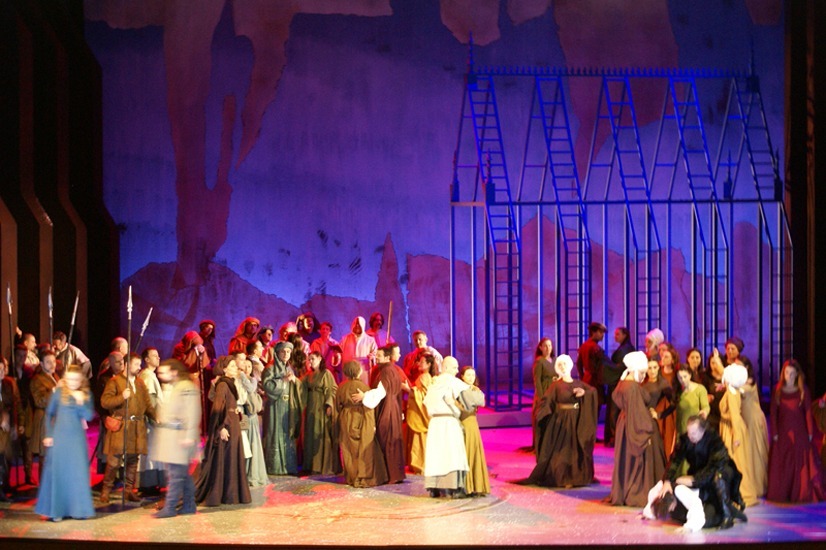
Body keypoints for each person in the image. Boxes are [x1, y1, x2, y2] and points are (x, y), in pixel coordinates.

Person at [644, 415, 748, 531]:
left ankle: (727, 514)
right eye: (688, 433)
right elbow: (675, 460)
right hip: (699, 473)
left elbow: (714, 467)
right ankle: (718, 510)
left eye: (693, 433)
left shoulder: (714, 440)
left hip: (720, 471)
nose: (690, 436)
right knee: (691, 513)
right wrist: (667, 480)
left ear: (702, 431)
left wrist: (695, 480)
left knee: (717, 478)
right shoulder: (686, 440)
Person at [34, 365, 95, 522]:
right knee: (59, 473)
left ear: (81, 380)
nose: (72, 382)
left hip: (77, 440)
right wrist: (48, 434)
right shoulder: (59, 393)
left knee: (77, 474)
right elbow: (49, 414)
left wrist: (81, 402)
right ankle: (57, 510)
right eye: (69, 379)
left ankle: (77, 510)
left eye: (75, 379)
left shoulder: (85, 394)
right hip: (60, 438)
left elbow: (89, 416)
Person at [528, 355, 597, 488]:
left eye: (565, 364)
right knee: (562, 451)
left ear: (570, 365)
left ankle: (576, 477)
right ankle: (563, 478)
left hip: (576, 421)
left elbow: (593, 392)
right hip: (562, 422)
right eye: (560, 365)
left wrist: (584, 393)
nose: (563, 367)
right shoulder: (556, 385)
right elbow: (546, 401)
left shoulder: (578, 383)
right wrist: (542, 414)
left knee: (575, 450)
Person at [609, 351, 665, 507]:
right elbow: (637, 412)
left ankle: (625, 489)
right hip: (634, 425)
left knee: (626, 459)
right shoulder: (632, 387)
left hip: (625, 424)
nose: (644, 375)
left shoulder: (622, 383)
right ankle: (636, 492)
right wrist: (646, 433)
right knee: (637, 460)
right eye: (642, 372)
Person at [99, 353, 156, 503]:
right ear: (127, 365)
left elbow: (147, 404)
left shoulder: (139, 383)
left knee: (132, 460)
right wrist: (121, 397)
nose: (139, 367)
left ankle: (128, 490)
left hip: (136, 426)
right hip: (121, 426)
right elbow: (105, 402)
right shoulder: (115, 382)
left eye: (139, 364)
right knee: (114, 461)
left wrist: (156, 417)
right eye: (136, 364)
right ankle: (106, 490)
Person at [195, 358, 251, 506]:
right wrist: (221, 427)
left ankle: (232, 494)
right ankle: (227, 494)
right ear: (224, 369)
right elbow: (217, 408)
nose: (235, 368)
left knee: (233, 458)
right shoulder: (222, 385)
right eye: (232, 366)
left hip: (233, 423)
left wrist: (236, 411)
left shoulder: (229, 383)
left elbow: (228, 405)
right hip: (228, 425)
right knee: (227, 458)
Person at [767, 359, 824, 502]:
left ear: (797, 374)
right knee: (784, 462)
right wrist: (774, 432)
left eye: (792, 373)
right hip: (783, 431)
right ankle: (784, 492)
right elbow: (773, 413)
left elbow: (808, 412)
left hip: (799, 430)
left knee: (800, 462)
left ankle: (799, 492)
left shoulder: (803, 390)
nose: (789, 376)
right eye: (787, 373)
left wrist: (810, 432)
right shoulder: (777, 390)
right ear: (783, 374)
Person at [152, 359, 201, 518]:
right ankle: (188, 505)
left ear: (174, 372)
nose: (160, 375)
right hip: (173, 437)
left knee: (175, 475)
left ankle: (170, 507)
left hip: (179, 437)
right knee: (181, 474)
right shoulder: (175, 387)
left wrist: (189, 435)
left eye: (164, 372)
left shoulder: (186, 387)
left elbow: (192, 412)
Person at [422, 356, 470, 498]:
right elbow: (472, 395)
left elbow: (426, 403)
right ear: (446, 367)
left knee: (436, 455)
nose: (457, 371)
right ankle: (453, 488)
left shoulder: (433, 384)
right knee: (452, 455)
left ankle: (434, 488)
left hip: (434, 423)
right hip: (449, 422)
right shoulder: (452, 381)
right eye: (455, 367)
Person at [335, 361, 388, 488]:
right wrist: (372, 425)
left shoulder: (341, 387)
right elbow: (369, 406)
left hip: (345, 419)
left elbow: (337, 406)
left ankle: (351, 477)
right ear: (358, 371)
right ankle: (363, 477)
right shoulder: (363, 387)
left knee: (349, 450)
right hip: (361, 419)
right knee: (363, 449)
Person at [364, 345, 406, 484]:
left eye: (379, 356)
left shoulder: (387, 371)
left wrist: (364, 397)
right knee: (390, 438)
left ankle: (390, 474)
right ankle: (394, 474)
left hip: (387, 408)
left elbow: (380, 392)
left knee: (387, 438)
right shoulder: (389, 370)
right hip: (392, 407)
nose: (376, 358)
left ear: (387, 357)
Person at [262, 341, 304, 475]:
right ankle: (275, 467)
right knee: (275, 432)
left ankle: (288, 466)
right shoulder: (270, 368)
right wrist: (283, 381)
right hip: (275, 406)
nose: (286, 354)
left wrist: (295, 381)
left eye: (288, 352)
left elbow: (297, 384)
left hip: (287, 407)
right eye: (283, 352)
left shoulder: (289, 368)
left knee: (287, 433)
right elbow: (267, 385)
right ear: (277, 353)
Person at [301, 351, 340, 475]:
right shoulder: (309, 375)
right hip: (311, 406)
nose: (310, 361)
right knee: (311, 433)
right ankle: (311, 464)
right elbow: (300, 385)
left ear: (319, 358)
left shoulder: (326, 373)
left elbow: (332, 389)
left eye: (313, 358)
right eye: (309, 359)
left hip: (321, 405)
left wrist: (329, 404)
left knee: (321, 432)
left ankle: (321, 465)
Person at [28, 350, 60, 485]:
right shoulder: (37, 380)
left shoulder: (55, 377)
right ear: (41, 364)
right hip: (45, 420)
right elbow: (39, 401)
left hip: (56, 420)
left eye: (53, 361)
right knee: (46, 456)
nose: (52, 365)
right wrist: (54, 391)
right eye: (48, 362)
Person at [457, 366, 489, 496]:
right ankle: (465, 486)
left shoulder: (475, 390)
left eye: (473, 375)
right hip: (463, 423)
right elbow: (469, 405)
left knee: (474, 453)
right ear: (462, 376)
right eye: (468, 375)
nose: (471, 378)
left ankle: (476, 485)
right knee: (465, 453)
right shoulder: (459, 389)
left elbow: (482, 402)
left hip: (473, 423)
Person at [138, 347, 165, 494]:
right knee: (150, 452)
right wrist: (155, 419)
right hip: (150, 422)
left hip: (152, 421)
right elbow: (150, 401)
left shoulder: (150, 375)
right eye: (154, 356)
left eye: (158, 355)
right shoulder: (147, 376)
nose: (158, 358)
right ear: (146, 359)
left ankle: (151, 483)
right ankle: (149, 484)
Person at [576, 322, 608, 439]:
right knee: (594, 410)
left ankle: (587, 435)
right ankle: (590, 436)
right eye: (600, 332)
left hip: (586, 380)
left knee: (588, 410)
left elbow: (578, 364)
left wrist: (582, 377)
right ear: (593, 332)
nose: (602, 335)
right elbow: (604, 366)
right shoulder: (595, 348)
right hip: (595, 382)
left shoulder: (584, 346)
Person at [406, 351, 435, 474]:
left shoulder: (425, 377)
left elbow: (424, 395)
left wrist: (409, 389)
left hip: (421, 414)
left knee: (420, 440)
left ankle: (420, 465)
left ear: (429, 364)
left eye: (422, 362)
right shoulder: (424, 376)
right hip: (419, 413)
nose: (419, 363)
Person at [605, 327, 634, 447]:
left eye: (618, 334)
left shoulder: (625, 349)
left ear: (624, 335)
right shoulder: (626, 348)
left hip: (619, 383)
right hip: (620, 383)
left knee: (615, 411)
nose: (615, 336)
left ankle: (615, 437)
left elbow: (619, 368)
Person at [0, 357, 22, 500]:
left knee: (7, 458)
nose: (2, 372)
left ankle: (5, 485)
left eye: (3, 369)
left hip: (7, 429)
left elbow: (14, 405)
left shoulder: (7, 384)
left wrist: (16, 424)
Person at [531, 337, 555, 452]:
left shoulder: (554, 360)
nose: (548, 348)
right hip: (544, 392)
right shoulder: (539, 361)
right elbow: (537, 381)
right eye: (545, 346)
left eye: (549, 345)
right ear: (540, 348)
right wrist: (541, 397)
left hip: (553, 392)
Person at [340, 316, 377, 386]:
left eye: (359, 324)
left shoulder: (370, 340)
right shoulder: (345, 339)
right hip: (349, 370)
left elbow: (375, 353)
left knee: (362, 387)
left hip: (363, 370)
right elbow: (339, 352)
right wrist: (337, 355)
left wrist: (372, 357)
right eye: (356, 323)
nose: (357, 326)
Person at [675, 366, 709, 437]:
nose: (683, 380)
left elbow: (705, 406)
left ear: (690, 375)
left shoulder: (700, 389)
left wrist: (704, 412)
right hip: (681, 429)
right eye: (680, 377)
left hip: (695, 428)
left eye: (685, 376)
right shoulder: (678, 391)